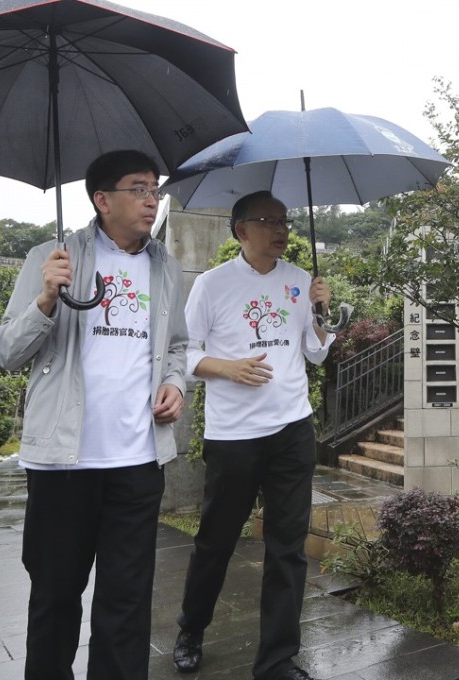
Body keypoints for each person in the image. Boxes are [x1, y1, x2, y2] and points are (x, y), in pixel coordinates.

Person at [0, 150, 188, 680]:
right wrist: (46, 299)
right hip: (63, 462)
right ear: (103, 200)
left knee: (127, 603)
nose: (153, 199)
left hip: (138, 460)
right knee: (55, 596)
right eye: (139, 188)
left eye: (155, 189)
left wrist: (174, 383)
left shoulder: (164, 266)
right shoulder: (50, 257)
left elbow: (177, 346)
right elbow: (7, 354)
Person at [173, 191, 333, 680]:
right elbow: (183, 353)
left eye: (284, 220)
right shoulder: (212, 285)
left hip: (292, 429)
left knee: (288, 549)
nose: (281, 229)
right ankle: (191, 628)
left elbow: (315, 353)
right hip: (235, 435)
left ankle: (277, 661)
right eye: (269, 221)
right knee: (216, 541)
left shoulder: (301, 281)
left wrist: (323, 315)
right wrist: (228, 367)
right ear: (241, 230)